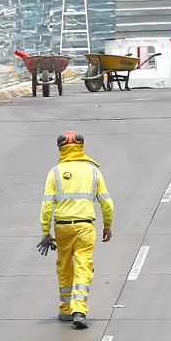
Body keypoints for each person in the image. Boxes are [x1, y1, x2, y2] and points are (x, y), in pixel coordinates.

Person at [37, 130, 114, 330]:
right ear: (81, 147)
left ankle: (64, 309)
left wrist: (45, 232)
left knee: (64, 267)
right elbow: (107, 203)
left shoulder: (54, 172)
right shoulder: (94, 171)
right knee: (83, 266)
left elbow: (47, 205)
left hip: (62, 228)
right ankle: (78, 310)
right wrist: (107, 225)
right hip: (85, 228)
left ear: (60, 149)